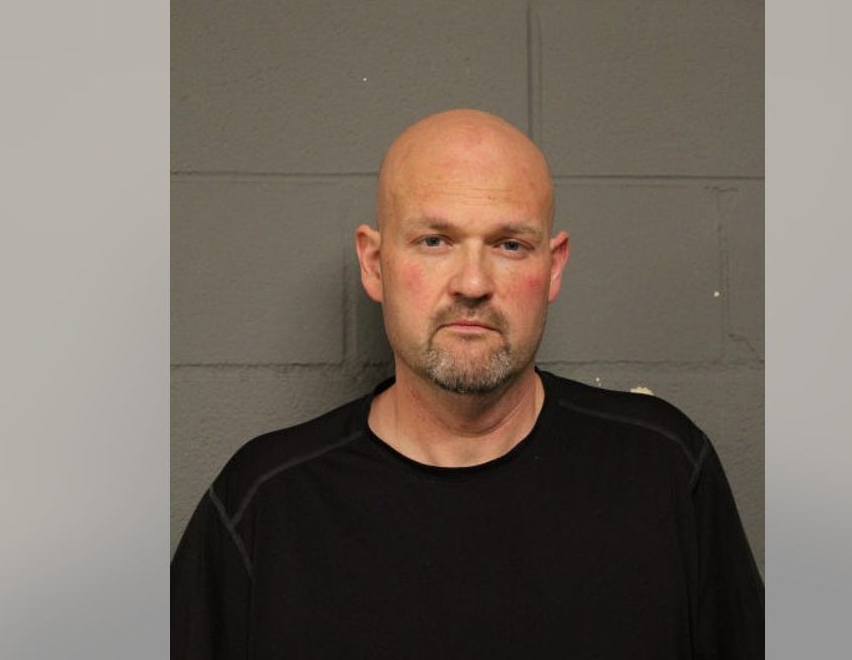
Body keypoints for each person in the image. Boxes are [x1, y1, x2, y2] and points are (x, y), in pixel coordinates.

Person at [171, 109, 764, 659]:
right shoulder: (265, 504)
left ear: (553, 266)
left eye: (510, 245)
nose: (473, 284)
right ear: (374, 263)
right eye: (435, 241)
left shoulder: (662, 470)